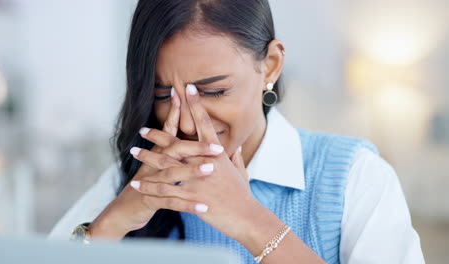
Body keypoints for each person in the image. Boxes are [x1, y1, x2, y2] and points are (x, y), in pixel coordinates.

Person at [49, 0, 425, 263]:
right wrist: (113, 223)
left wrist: (251, 221)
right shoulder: (133, 180)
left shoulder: (354, 176)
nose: (185, 122)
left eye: (214, 91)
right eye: (163, 95)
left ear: (271, 65)